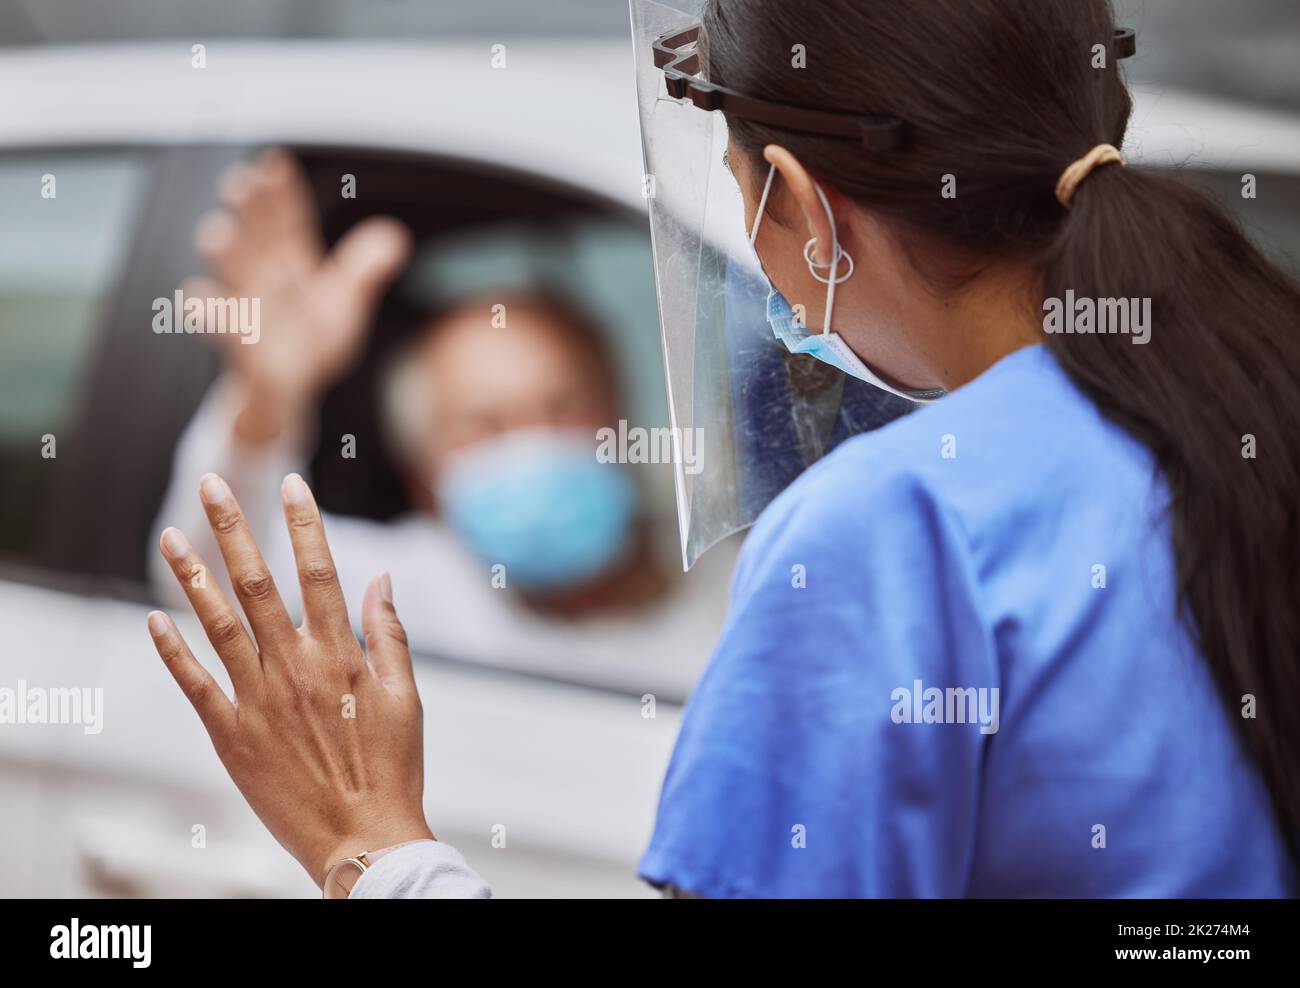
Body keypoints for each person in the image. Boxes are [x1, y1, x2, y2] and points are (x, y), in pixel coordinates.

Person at [147, 0, 1299, 897]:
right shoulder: (1236, 416)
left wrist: (374, 849)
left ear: (799, 202)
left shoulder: (893, 529)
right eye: (483, 425)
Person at [150, 150, 732, 699]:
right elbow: (215, 583)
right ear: (424, 478)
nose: (535, 445)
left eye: (565, 409)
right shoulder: (404, 595)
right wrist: (268, 398)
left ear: (620, 418)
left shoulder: (731, 582)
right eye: (484, 427)